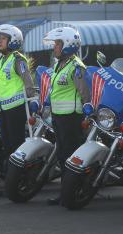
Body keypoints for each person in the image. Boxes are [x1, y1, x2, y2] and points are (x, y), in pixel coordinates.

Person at [42, 27, 90, 205]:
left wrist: (87, 112)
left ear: (68, 45)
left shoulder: (76, 66)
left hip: (71, 118)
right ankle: (65, 192)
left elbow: (84, 92)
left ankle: (75, 191)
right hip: (59, 116)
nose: (54, 47)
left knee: (71, 156)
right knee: (62, 156)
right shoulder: (60, 65)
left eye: (58, 44)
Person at [0, 24, 35, 180]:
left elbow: (28, 84)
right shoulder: (2, 60)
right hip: (4, 109)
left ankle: (19, 179)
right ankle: (11, 180)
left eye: (3, 38)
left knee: (16, 145)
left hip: (16, 108)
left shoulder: (18, 59)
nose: (0, 42)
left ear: (13, 40)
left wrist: (29, 101)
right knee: (7, 145)